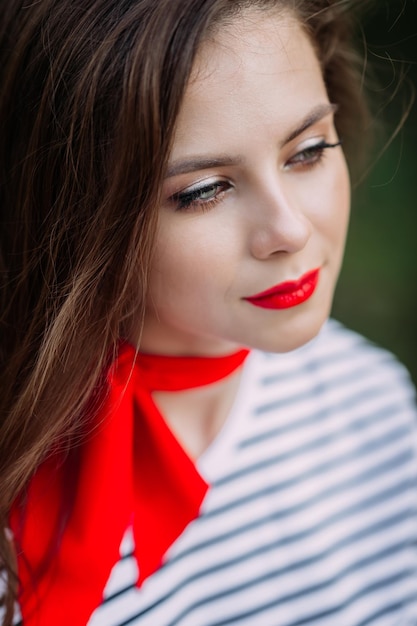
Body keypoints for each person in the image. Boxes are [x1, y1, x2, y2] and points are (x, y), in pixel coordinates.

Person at [1, 0, 417, 624]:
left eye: (307, 151)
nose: (289, 229)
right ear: (70, 211)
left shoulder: (370, 404)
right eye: (202, 191)